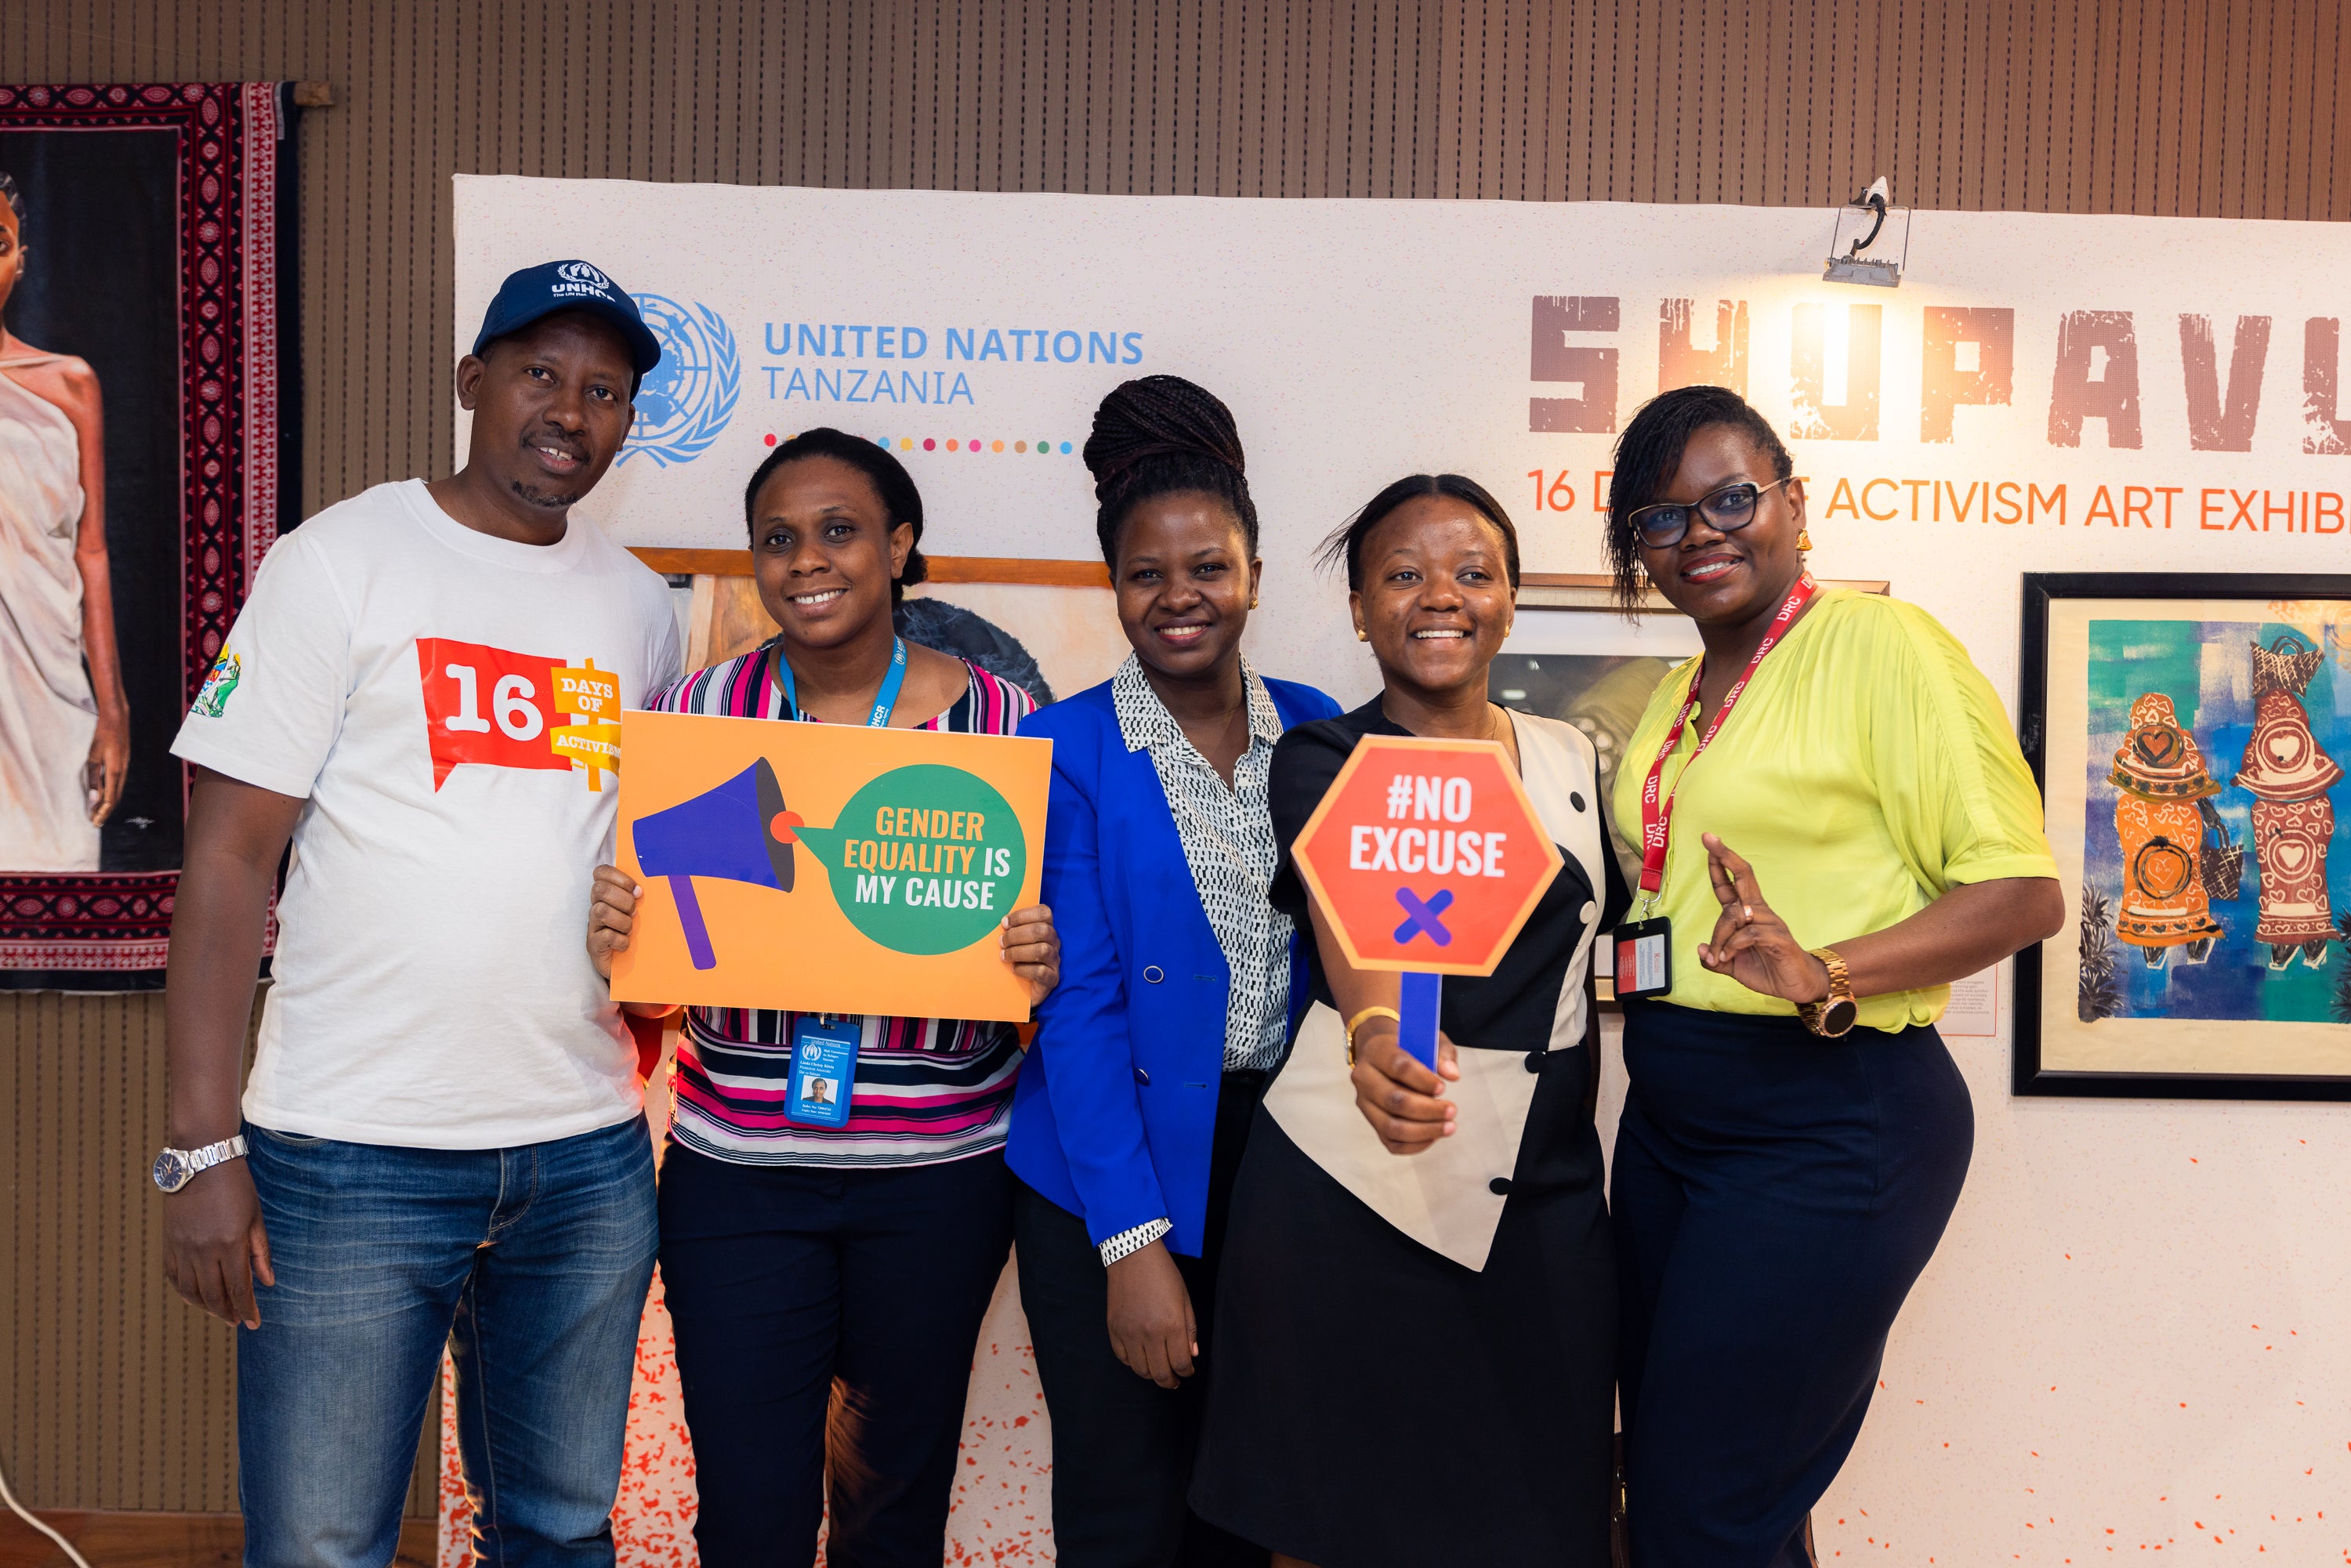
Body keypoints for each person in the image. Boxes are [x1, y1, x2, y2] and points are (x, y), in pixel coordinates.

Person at [158, 260, 681, 1565]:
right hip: (350, 1155)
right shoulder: (338, 562)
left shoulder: (638, 609)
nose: (569, 408)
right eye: (540, 373)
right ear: (473, 382)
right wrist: (198, 1150)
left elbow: (646, 861)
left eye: (603, 389)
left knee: (560, 1531)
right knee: (322, 1544)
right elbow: (225, 864)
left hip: (584, 1154)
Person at [1599, 385, 2063, 1567]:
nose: (1700, 533)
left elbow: (2023, 892)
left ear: (1795, 505)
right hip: (1670, 1127)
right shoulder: (1674, 698)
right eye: (1663, 518)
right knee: (1707, 1489)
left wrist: (1825, 967)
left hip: (1827, 1122)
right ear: (1639, 553)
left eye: (1731, 499)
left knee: (1701, 1507)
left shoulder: (1882, 647)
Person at [585, 427, 1062, 1568]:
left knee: (893, 1511)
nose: (809, 560)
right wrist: (625, 939)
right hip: (738, 1179)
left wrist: (1044, 954)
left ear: (899, 546)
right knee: (748, 1515)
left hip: (937, 1184)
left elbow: (1050, 972)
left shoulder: (1005, 723)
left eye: (841, 531)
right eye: (779, 539)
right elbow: (655, 982)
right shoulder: (698, 714)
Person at [1190, 474, 1627, 1568]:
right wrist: (1375, 1037)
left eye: (1473, 573)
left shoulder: (1573, 755)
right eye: (1402, 574)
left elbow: (1608, 947)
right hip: (1346, 1193)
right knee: (1324, 1523)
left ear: (1512, 598)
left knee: (1536, 1521)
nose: (1441, 596)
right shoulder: (1323, 757)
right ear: (1356, 607)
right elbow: (1359, 929)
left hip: (1543, 1202)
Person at [1005, 375, 1340, 1568]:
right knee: (1122, 1505)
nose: (1179, 596)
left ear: (1253, 573)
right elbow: (1079, 1009)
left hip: (1276, 1170)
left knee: (1241, 1507)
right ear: (1115, 588)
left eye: (1209, 565)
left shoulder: (1321, 732)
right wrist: (1133, 1242)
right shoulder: (1059, 748)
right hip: (1111, 1166)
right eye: (1147, 574)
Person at [0, 168, 129, 869]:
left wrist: (114, 709)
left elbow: (92, 552)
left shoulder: (68, 383)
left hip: (51, 682)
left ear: (21, 258)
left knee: (54, 850)